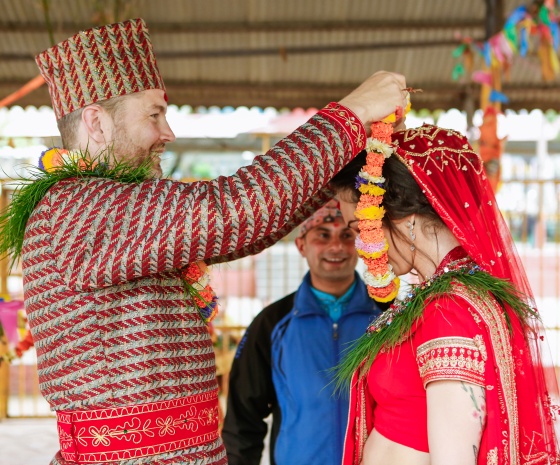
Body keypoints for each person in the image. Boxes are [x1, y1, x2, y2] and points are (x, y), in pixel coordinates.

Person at [0, 18, 408, 465]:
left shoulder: (112, 209)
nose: (168, 133)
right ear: (96, 122)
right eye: (154, 114)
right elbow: (233, 209)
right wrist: (350, 115)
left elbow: (245, 227)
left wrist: (344, 166)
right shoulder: (78, 207)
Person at [330, 124, 559, 465]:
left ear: (400, 216)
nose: (362, 245)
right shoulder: (448, 299)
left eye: (358, 227)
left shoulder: (449, 310)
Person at [222, 200, 384, 465]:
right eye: (323, 235)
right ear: (301, 245)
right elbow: (243, 419)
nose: (336, 246)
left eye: (347, 235)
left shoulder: (389, 317)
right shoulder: (272, 323)